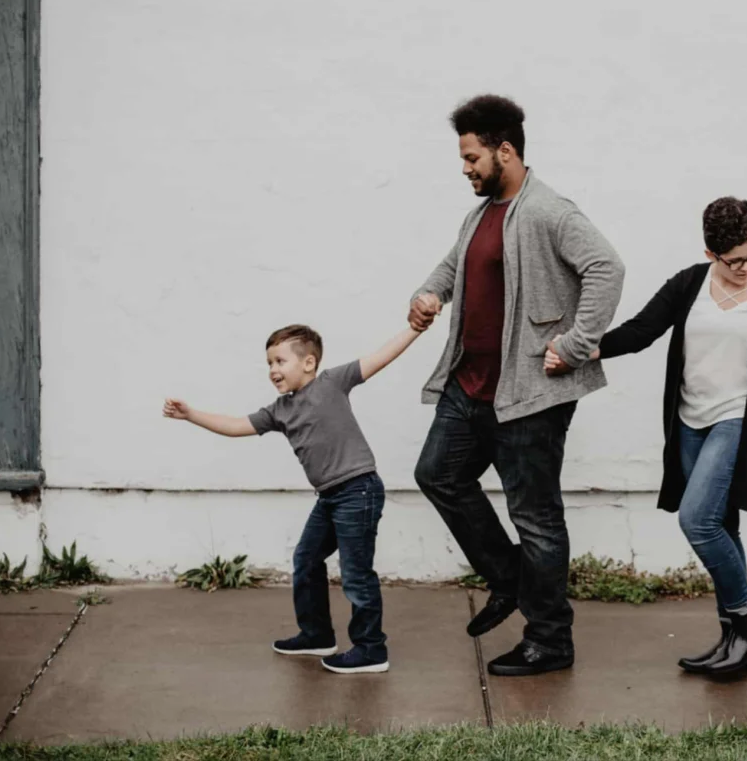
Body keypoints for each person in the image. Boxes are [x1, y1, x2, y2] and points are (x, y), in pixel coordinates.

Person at [545, 197, 747, 677]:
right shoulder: (690, 284)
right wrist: (579, 351)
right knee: (722, 526)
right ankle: (735, 644)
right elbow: (641, 331)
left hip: (742, 420)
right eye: (735, 261)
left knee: (698, 521)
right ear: (711, 254)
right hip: (690, 422)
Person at [409, 95, 624, 677]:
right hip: (469, 385)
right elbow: (454, 266)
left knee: (536, 518)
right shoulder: (480, 214)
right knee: (438, 475)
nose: (465, 168)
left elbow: (608, 268)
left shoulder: (549, 211)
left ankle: (550, 639)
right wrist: (429, 294)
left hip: (528, 394)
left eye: (472, 156)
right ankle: (509, 581)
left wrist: (576, 344)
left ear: (505, 150)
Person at [163, 323, 421, 674]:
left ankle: (371, 649)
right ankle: (316, 635)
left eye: (280, 361)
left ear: (309, 363)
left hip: (358, 490)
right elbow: (237, 425)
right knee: (306, 558)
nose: (273, 370)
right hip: (329, 497)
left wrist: (415, 328)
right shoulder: (279, 410)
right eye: (269, 363)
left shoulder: (332, 382)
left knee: (356, 573)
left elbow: (380, 357)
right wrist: (190, 415)